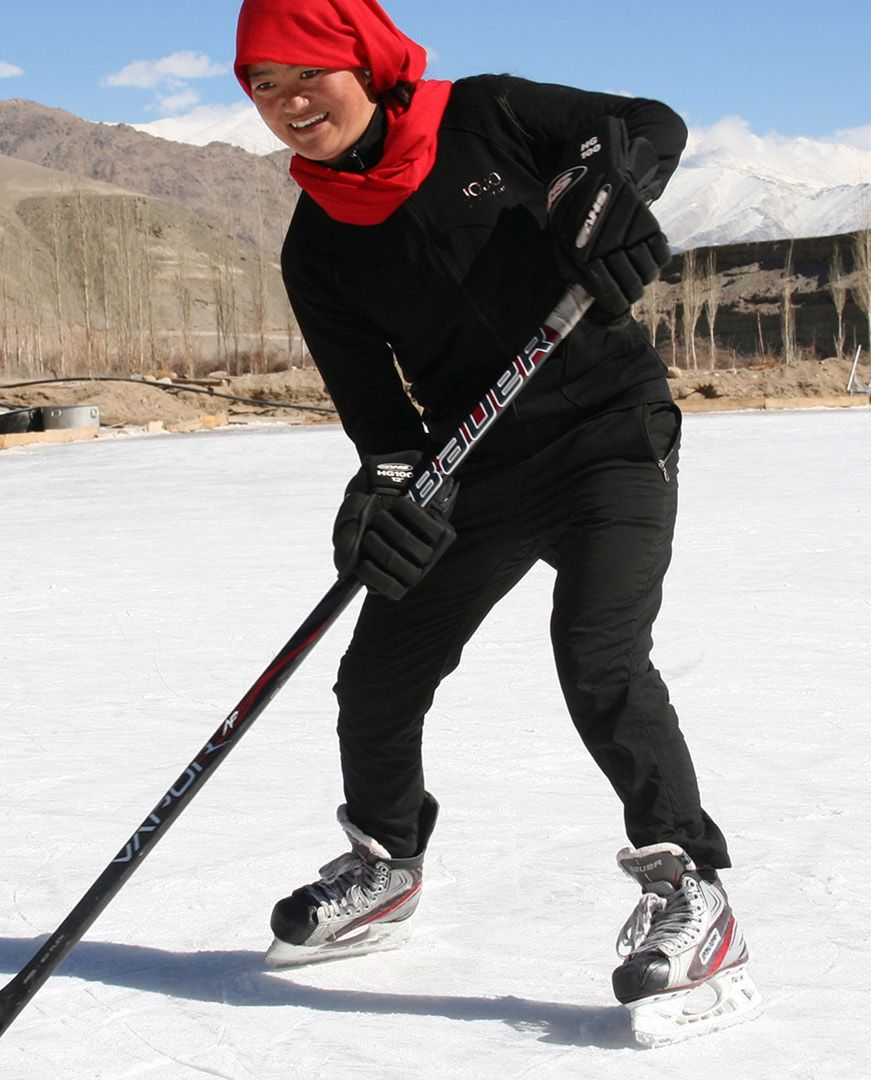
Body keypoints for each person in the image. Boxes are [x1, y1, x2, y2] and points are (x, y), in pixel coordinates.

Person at [234, 0, 761, 1045]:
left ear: (364, 61)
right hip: (472, 463)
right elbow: (381, 426)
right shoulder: (316, 245)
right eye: (262, 87)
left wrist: (610, 192)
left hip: (611, 432)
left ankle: (689, 895)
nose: (290, 105)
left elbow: (648, 124)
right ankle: (385, 864)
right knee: (379, 672)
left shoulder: (488, 117)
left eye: (308, 76)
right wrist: (383, 495)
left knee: (599, 655)